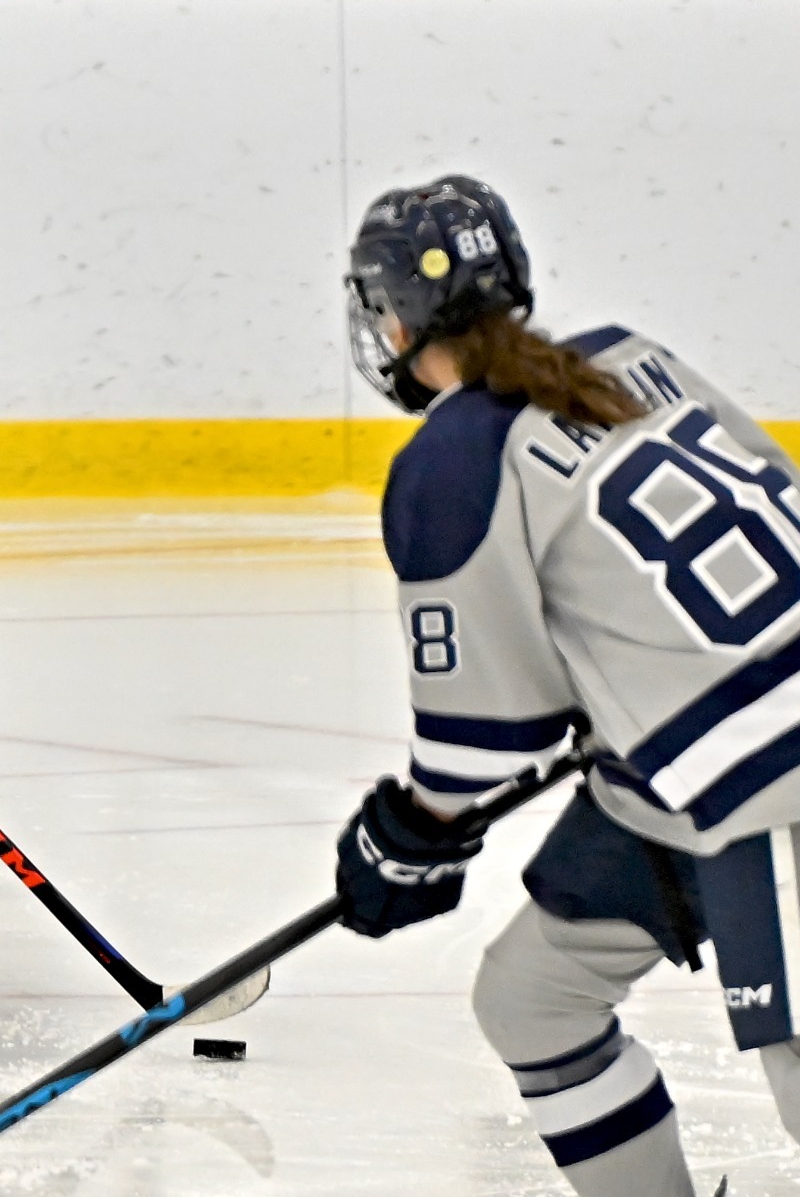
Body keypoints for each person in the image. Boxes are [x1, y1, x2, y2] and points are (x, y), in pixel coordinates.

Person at [335, 175, 800, 1196]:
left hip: (761, 783)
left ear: (397, 320)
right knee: (533, 998)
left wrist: (405, 840)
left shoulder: (452, 460)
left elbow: (483, 741)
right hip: (701, 771)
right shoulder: (633, 356)